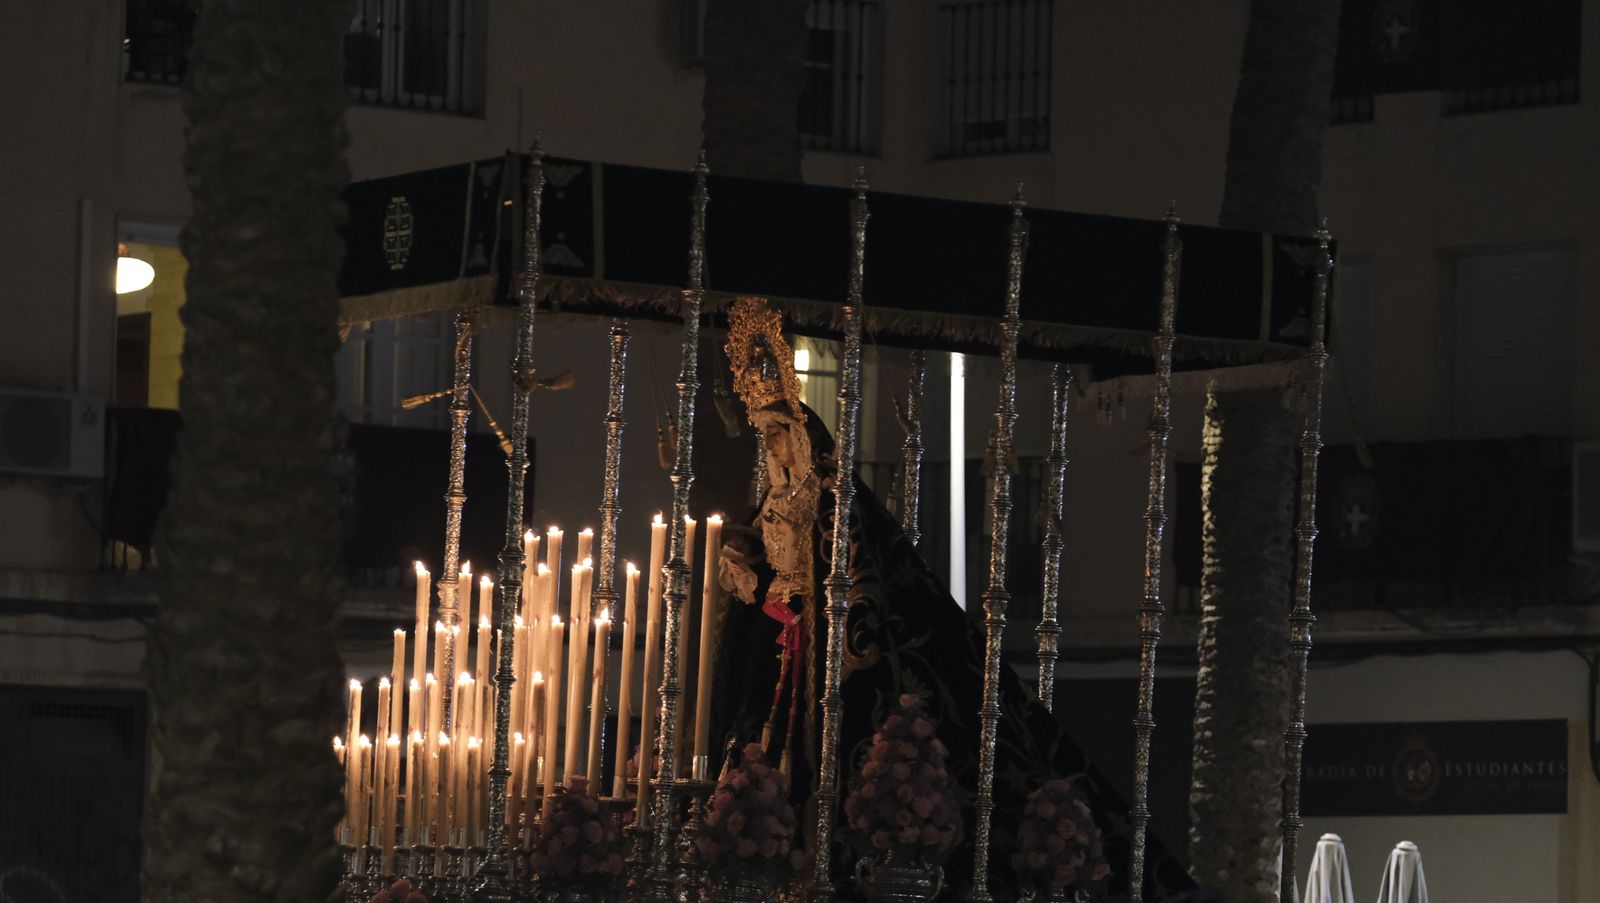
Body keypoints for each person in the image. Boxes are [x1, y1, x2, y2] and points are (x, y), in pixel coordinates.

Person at [709, 298, 1192, 901]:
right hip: (786, 657)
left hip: (827, 655)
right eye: (764, 435)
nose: (773, 448)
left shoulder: (834, 499)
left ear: (802, 431)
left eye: (779, 432)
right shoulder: (772, 502)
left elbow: (857, 574)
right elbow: (761, 560)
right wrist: (746, 567)